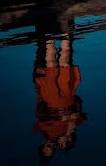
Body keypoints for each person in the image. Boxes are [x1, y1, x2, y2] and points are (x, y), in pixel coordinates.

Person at [33, 33, 87, 161]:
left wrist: (64, 117)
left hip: (52, 97)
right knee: (65, 61)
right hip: (66, 96)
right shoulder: (68, 129)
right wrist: (69, 127)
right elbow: (78, 109)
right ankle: (64, 31)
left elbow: (41, 111)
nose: (52, 144)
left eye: (48, 146)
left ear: (42, 144)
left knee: (51, 63)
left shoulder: (44, 129)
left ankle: (50, 33)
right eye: (53, 147)